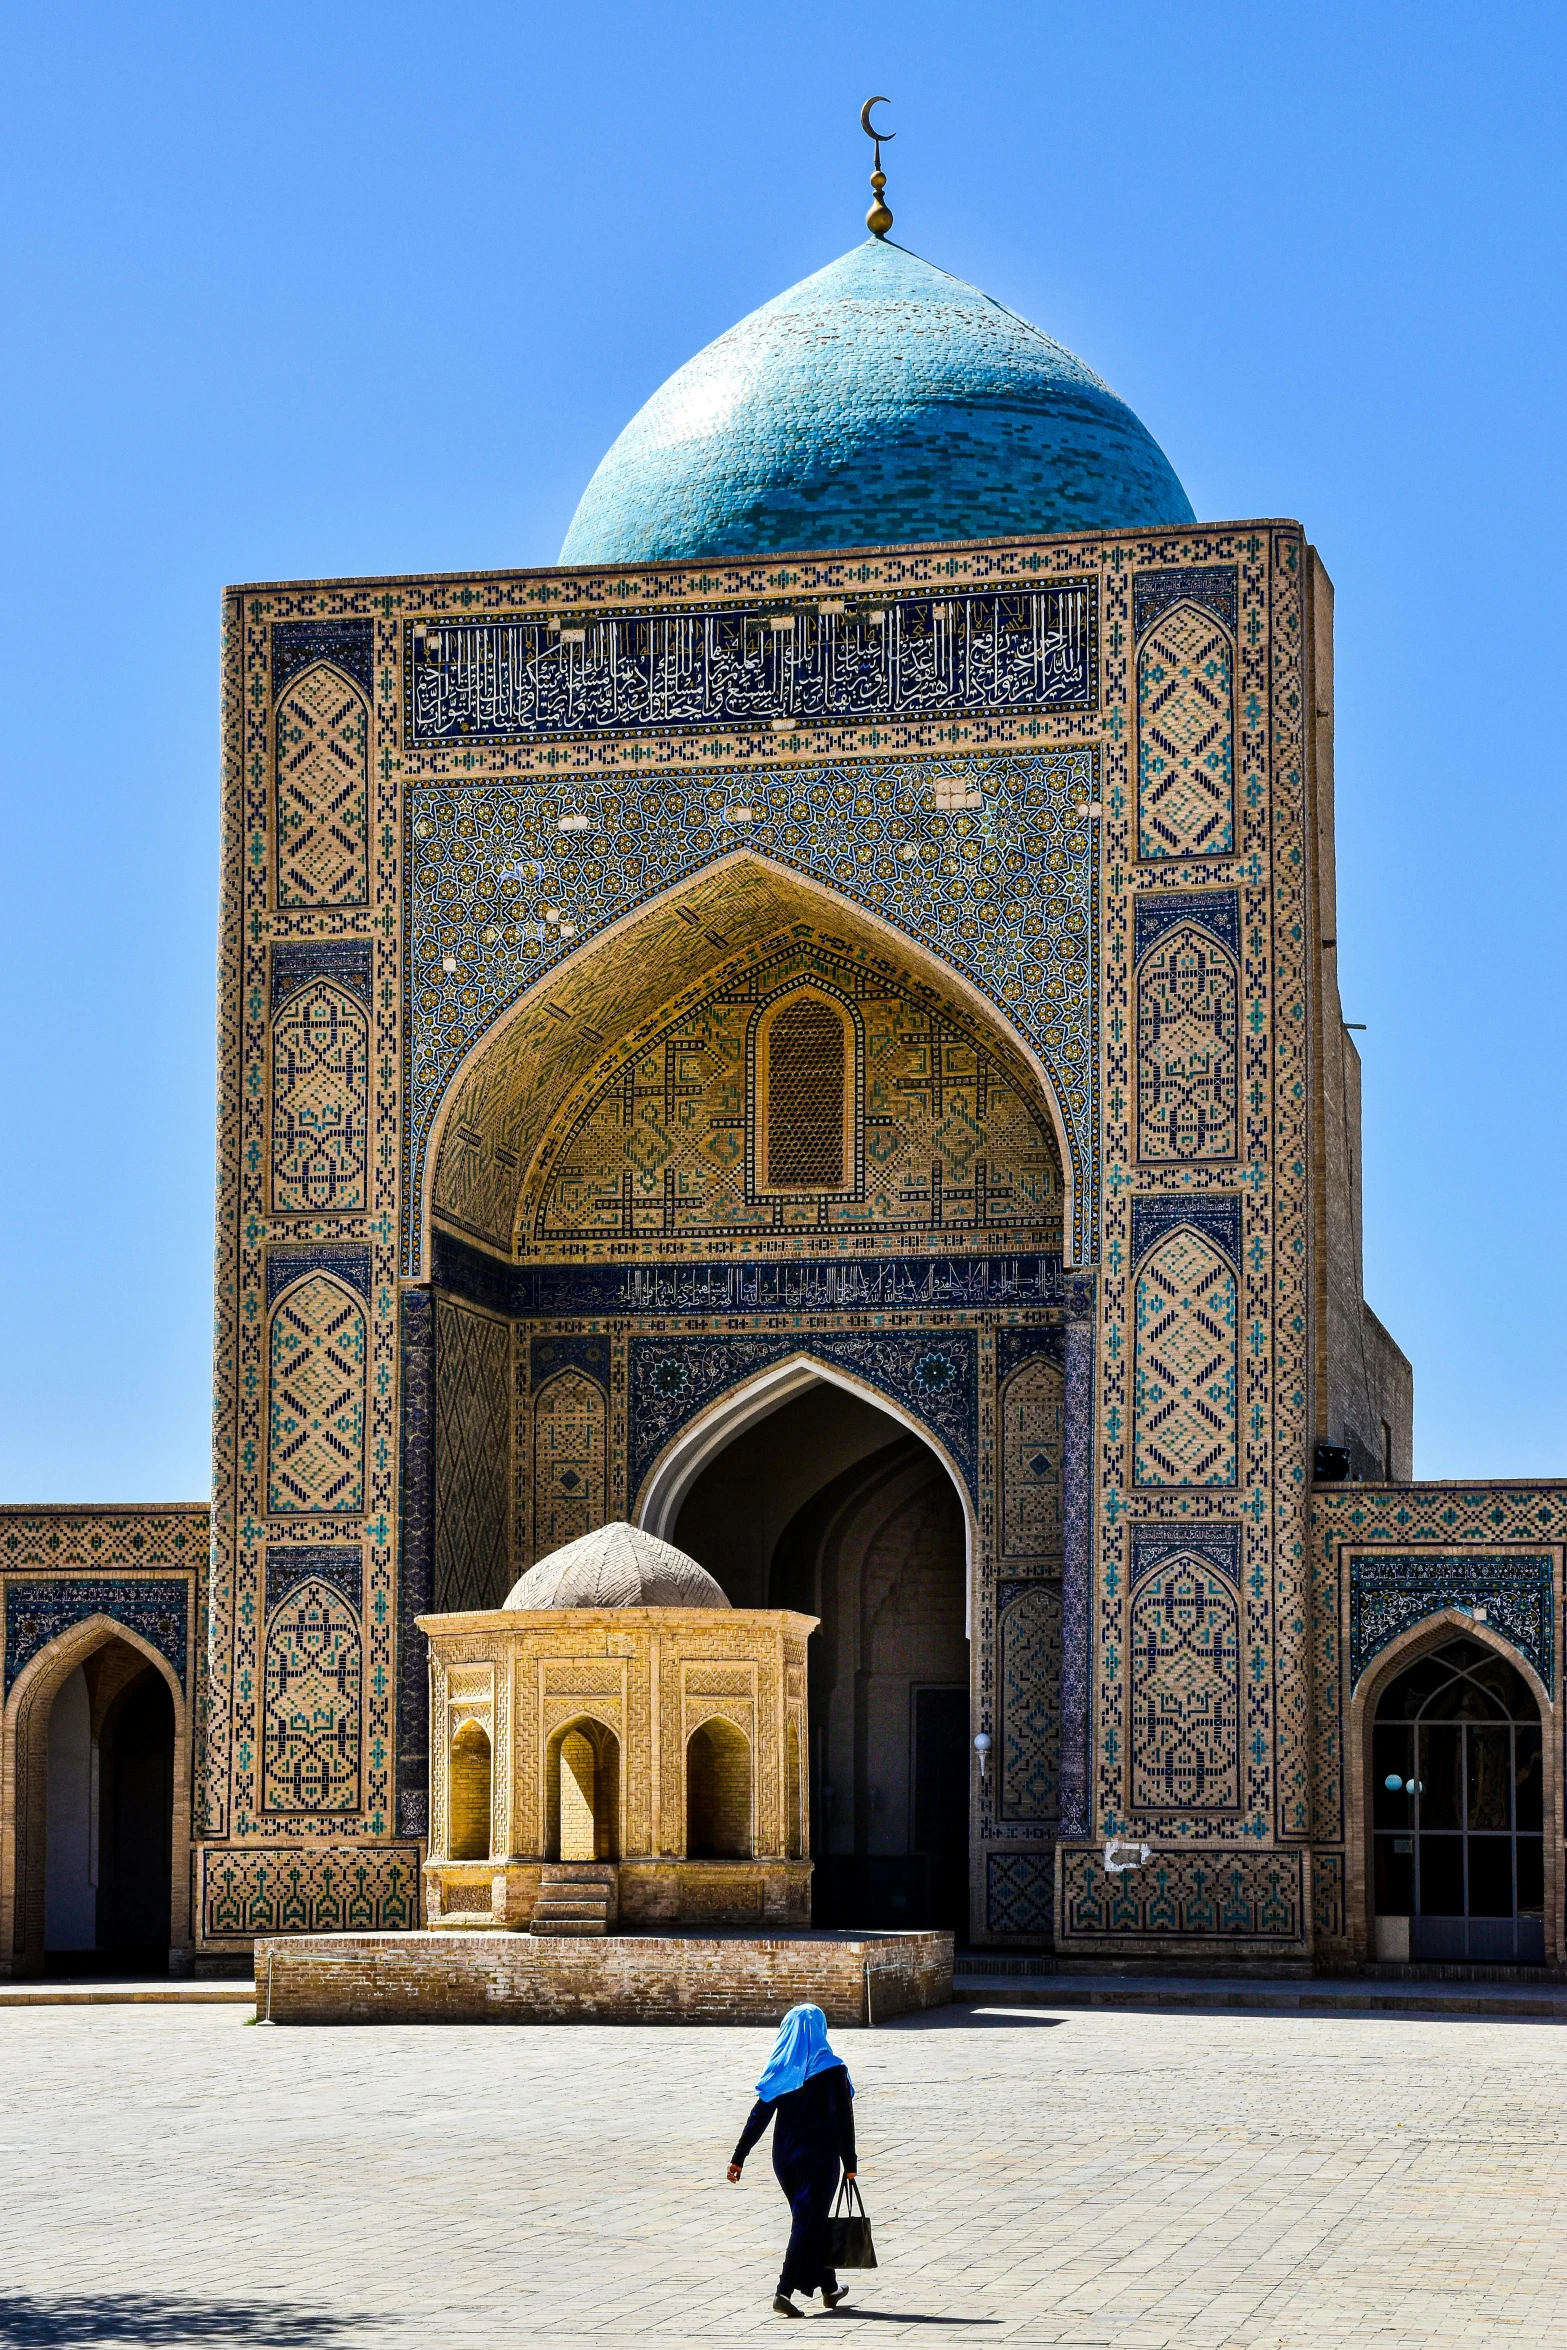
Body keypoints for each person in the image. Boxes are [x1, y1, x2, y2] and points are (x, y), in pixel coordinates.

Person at [726, 2002, 859, 2317]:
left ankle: (829, 2287)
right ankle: (783, 2291)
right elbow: (844, 2120)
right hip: (821, 2157)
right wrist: (850, 2164)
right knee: (807, 2219)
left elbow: (759, 2115)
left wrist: (738, 2157)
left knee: (811, 2217)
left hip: (785, 2158)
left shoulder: (782, 2068)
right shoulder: (834, 2069)